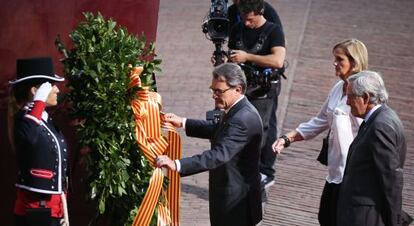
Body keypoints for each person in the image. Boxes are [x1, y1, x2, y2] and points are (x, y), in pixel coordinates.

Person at [272, 38, 368, 226]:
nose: (335, 63)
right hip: (334, 172)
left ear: (354, 63)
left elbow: (371, 130)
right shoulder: (338, 88)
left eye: (340, 59)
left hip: (353, 177)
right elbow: (321, 120)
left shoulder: (363, 94)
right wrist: (289, 137)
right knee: (326, 219)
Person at [156, 63, 263, 226]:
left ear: (238, 89)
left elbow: (217, 155)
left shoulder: (242, 119)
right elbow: (218, 129)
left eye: (219, 91)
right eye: (213, 90)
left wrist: (177, 164)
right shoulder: (238, 109)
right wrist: (183, 122)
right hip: (228, 194)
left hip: (236, 202)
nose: (214, 96)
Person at [337, 71, 412, 226]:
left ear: (365, 97)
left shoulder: (380, 126)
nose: (348, 102)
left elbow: (391, 177)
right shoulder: (380, 118)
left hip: (365, 216)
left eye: (350, 96)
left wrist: (394, 221)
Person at [228, 0, 286, 190]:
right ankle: (240, 173)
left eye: (250, 20)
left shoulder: (273, 30)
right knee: (235, 127)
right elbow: (231, 54)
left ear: (260, 12)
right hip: (240, 88)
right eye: (243, 19)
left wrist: (248, 57)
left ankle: (262, 174)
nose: (246, 23)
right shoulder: (237, 27)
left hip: (263, 90)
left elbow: (278, 60)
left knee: (260, 131)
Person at [8, 57, 69, 226]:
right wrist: (39, 102)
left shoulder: (44, 120)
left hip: (54, 210)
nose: (57, 90)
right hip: (36, 211)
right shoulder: (25, 120)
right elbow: (30, 137)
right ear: (36, 91)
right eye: (51, 85)